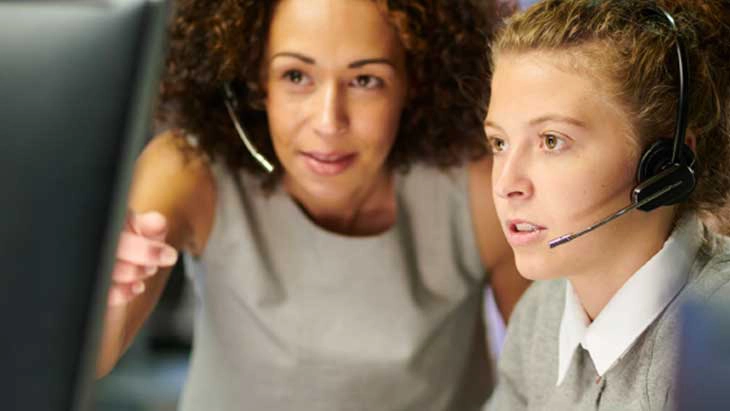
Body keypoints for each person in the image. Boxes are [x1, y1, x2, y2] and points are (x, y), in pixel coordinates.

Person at [96, 1, 529, 410]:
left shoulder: (481, 189)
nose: (328, 122)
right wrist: (103, 287)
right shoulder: (190, 169)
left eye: (365, 80)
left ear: (414, 82)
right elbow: (93, 354)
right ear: (256, 78)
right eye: (296, 76)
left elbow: (549, 377)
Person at [483, 0, 730, 409]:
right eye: (499, 143)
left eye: (551, 141)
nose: (507, 184)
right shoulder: (541, 311)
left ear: (664, 164)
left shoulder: (717, 335)